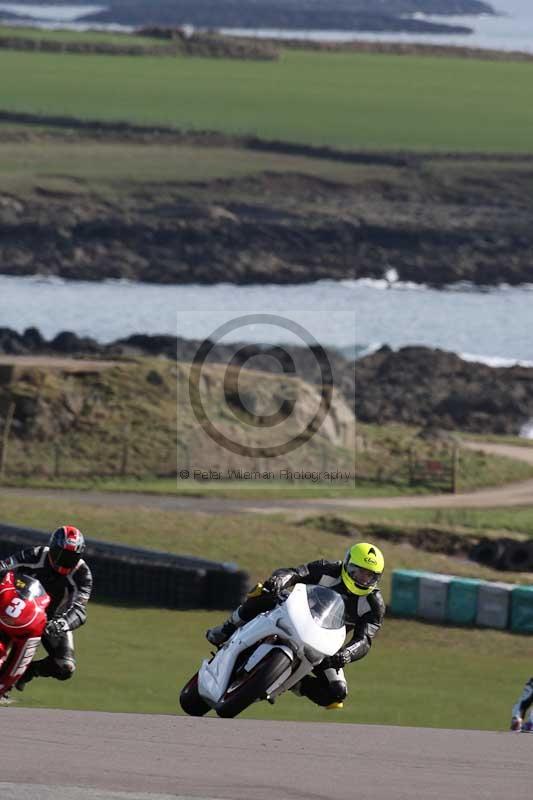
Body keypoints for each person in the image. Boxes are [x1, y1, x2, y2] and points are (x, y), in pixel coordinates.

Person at [206, 541, 385, 709]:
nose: (363, 579)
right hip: (293, 614)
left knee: (336, 693)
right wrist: (280, 580)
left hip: (321, 643)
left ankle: (290, 681)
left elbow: (364, 640)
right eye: (358, 571)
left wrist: (346, 654)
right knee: (265, 592)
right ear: (347, 564)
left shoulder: (373, 604)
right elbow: (295, 573)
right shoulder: (327, 569)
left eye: (370, 576)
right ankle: (226, 629)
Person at [0, 525, 92, 691]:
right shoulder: (35, 554)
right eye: (61, 554)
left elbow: (79, 609)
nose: (64, 560)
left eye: (71, 557)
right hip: (20, 607)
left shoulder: (82, 574)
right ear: (52, 548)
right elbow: (6, 565)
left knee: (65, 666)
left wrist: (61, 624)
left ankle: (27, 672)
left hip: (52, 620)